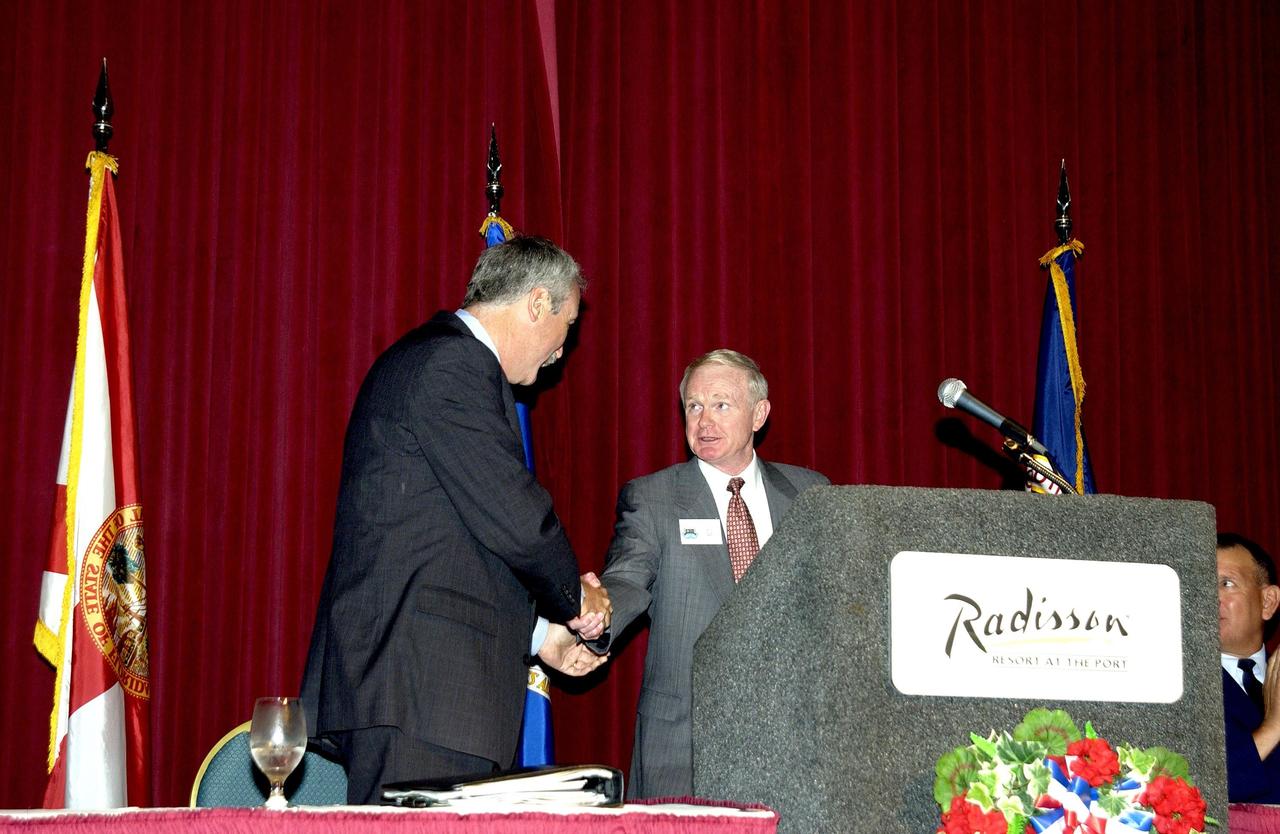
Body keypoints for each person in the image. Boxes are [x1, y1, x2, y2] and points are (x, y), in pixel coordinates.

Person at [301, 236, 610, 804]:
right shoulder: (454, 363)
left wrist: (542, 637)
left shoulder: (434, 361)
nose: (559, 354)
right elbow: (514, 516)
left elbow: (452, 552)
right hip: (420, 693)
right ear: (537, 303)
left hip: (429, 694)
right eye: (564, 329)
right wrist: (577, 600)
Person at [592, 349, 829, 798]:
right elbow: (627, 579)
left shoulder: (810, 494)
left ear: (759, 414)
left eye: (721, 404)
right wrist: (596, 614)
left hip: (795, 740)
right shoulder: (654, 497)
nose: (703, 421)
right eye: (693, 406)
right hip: (684, 742)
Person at [1217, 531, 1280, 803]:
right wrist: (1274, 726)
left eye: (1226, 583)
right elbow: (1194, 788)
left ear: (1267, 602)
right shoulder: (1175, 685)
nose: (1210, 596)